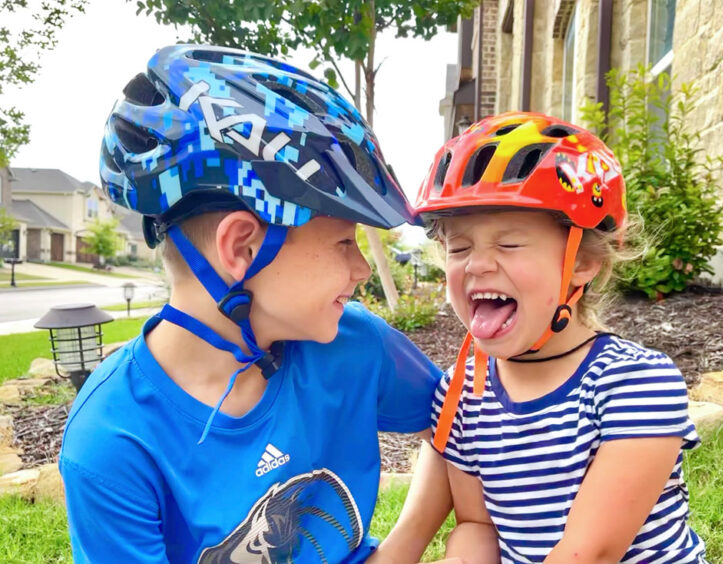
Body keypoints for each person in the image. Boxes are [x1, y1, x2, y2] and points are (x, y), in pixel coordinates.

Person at [59, 44, 443, 563]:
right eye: (342, 242)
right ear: (241, 247)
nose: (361, 269)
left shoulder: (353, 344)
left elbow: (462, 426)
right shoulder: (112, 436)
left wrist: (410, 542)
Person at [408, 112, 708, 563]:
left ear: (583, 262)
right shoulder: (459, 394)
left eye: (508, 244)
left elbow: (592, 552)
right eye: (460, 247)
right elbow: (476, 525)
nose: (477, 265)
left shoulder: (636, 384)